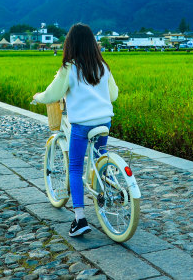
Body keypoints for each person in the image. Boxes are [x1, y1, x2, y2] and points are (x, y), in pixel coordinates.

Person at [32, 23, 118, 237]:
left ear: (70, 44)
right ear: (92, 44)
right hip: (104, 121)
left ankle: (80, 219)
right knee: (100, 155)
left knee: (76, 168)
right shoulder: (103, 67)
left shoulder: (69, 68)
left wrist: (38, 97)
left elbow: (52, 94)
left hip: (81, 126)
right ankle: (104, 188)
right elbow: (113, 95)